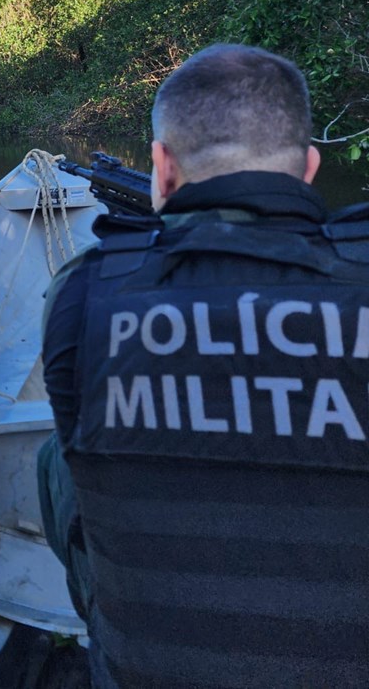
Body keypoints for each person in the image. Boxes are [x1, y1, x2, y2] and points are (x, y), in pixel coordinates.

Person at [38, 43, 369, 688]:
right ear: (309, 167)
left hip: (142, 674)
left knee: (58, 453)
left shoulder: (83, 293)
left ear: (161, 169)